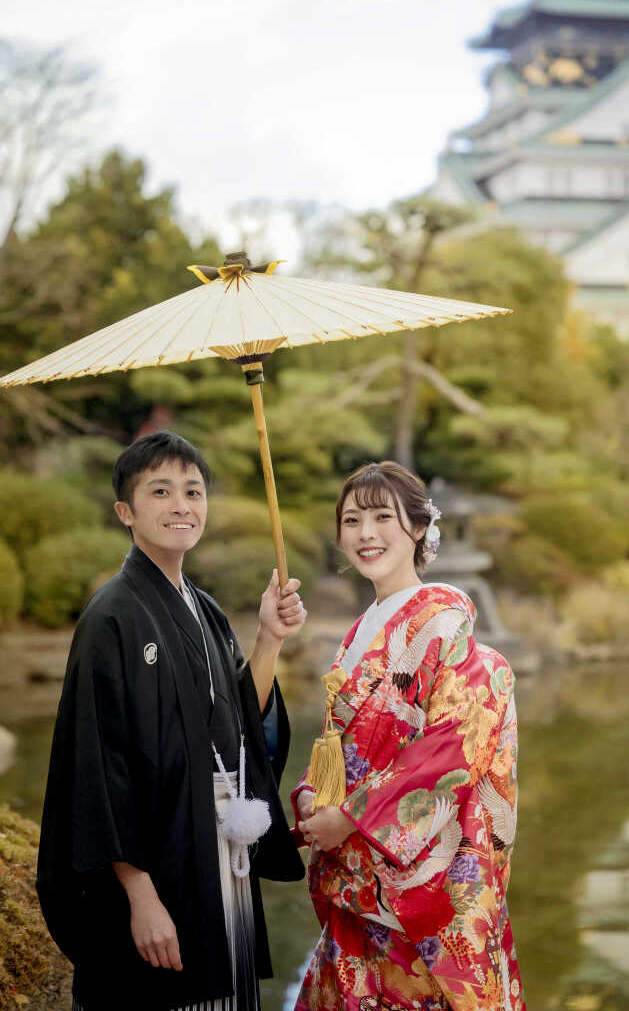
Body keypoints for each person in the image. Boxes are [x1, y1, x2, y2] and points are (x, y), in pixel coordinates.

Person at [36, 430, 307, 1011]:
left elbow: (239, 731)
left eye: (193, 490)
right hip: (155, 859)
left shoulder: (203, 608)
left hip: (216, 849)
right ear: (125, 512)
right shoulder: (111, 616)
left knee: (219, 991)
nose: (181, 505)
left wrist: (270, 637)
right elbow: (97, 768)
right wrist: (139, 894)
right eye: (160, 491)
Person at [292, 461, 527, 1011]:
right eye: (352, 520)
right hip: (357, 870)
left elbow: (452, 746)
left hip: (409, 874)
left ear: (419, 528)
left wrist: (350, 817)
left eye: (381, 517)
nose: (365, 534)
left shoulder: (445, 623)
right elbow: (337, 743)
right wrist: (311, 794)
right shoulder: (363, 629)